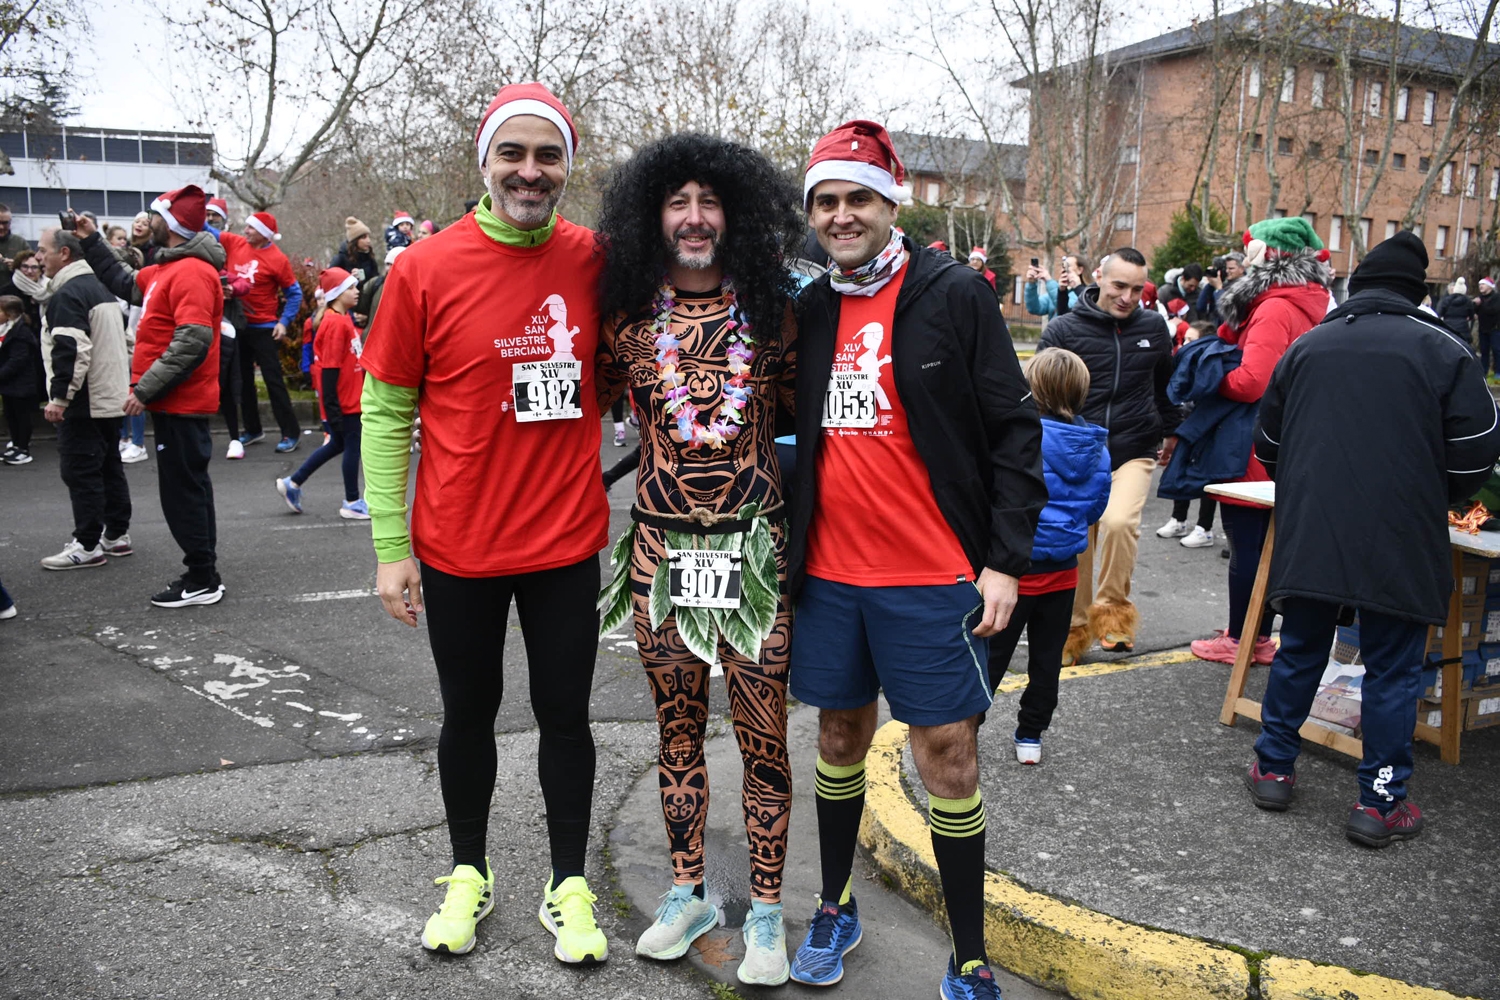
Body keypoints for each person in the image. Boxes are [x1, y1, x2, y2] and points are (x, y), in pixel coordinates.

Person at [786, 120, 1046, 998]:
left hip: (933, 573)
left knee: (949, 756)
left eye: (858, 197)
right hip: (829, 575)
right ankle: (835, 905)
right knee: (837, 735)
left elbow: (1015, 430)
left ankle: (967, 954)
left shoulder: (952, 293)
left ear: (891, 202)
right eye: (826, 200)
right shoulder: (811, 307)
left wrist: (1006, 560)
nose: (841, 214)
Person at [360, 82, 610, 964]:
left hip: (565, 544)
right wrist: (393, 547)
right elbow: (386, 412)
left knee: (565, 715)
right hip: (458, 545)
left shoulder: (595, 262)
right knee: (469, 712)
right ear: (485, 163)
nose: (530, 172)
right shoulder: (424, 268)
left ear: (567, 169)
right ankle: (469, 870)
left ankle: (567, 881)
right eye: (514, 153)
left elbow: (631, 375)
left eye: (548, 156)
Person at [594, 133, 802, 987]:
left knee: (764, 743)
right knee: (674, 733)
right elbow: (581, 414)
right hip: (660, 553)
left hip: (753, 554)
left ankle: (763, 912)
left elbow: (810, 424)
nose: (692, 217)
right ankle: (689, 894)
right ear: (655, 217)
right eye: (676, 202)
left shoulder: (779, 315)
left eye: (709, 201)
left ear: (737, 214)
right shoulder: (625, 321)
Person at [1246, 230, 1500, 847]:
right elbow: (1476, 459)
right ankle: (1380, 800)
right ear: (1418, 291)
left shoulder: (1310, 344)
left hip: (1314, 526)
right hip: (1402, 531)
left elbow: (1268, 446)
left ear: (1356, 285)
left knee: (1301, 645)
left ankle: (1274, 767)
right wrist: (1431, 495)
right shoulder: (1446, 349)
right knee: (1393, 669)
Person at [75, 186, 228, 608]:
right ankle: (204, 573)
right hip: (172, 401)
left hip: (181, 402)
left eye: (153, 215)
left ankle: (201, 578)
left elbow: (192, 341)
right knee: (187, 490)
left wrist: (144, 389)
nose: (147, 220)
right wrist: (90, 239)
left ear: (171, 224)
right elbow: (124, 283)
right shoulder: (164, 270)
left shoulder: (193, 272)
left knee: (183, 494)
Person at [1188, 218, 1331, 667]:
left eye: (1248, 248)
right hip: (1293, 439)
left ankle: (1244, 638)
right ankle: (1253, 630)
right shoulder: (1309, 301)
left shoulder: (1273, 307)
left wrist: (1209, 376)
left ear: (1268, 255)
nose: (1241, 256)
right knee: (1265, 546)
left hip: (1256, 445)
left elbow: (1253, 381)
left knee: (1247, 546)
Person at [1039, 248, 1179, 662]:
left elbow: (1164, 387)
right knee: (1079, 538)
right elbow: (1042, 395)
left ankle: (1114, 615)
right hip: (1076, 452)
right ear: (1099, 277)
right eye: (1119, 286)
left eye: (1137, 289)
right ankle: (1074, 628)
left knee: (1119, 523)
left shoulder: (1154, 327)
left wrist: (1171, 430)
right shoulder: (1063, 329)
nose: (1127, 297)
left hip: (1134, 447)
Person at [987, 348, 1110, 764]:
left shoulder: (1021, 438)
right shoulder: (1097, 446)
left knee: (991, 656)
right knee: (1046, 660)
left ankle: (967, 727)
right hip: (1064, 575)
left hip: (1015, 572)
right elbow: (1095, 509)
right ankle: (1030, 736)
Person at [35, 226, 134, 569]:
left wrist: (60, 397)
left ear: (64, 253)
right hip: (109, 395)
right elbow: (126, 341)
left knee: (81, 471)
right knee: (108, 467)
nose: (38, 257)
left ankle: (88, 543)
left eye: (42, 250)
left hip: (85, 399)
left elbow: (72, 348)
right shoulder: (99, 289)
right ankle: (116, 535)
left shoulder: (68, 294)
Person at [275, 268, 368, 518]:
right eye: (350, 288)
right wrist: (333, 408)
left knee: (338, 445)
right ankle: (352, 501)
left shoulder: (341, 317)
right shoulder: (335, 323)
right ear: (337, 294)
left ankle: (292, 483)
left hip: (349, 399)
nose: (356, 291)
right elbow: (329, 371)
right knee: (351, 448)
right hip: (346, 402)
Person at [222, 211, 303, 452]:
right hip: (238, 324)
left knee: (273, 381)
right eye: (246, 227)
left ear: (263, 234)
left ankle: (291, 433)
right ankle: (253, 429)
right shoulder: (234, 243)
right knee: (243, 380)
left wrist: (284, 322)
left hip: (265, 327)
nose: (245, 231)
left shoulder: (278, 259)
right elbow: (204, 228)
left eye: (251, 228)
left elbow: (294, 294)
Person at [0, 295, 43, 465]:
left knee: (21, 416)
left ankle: (23, 448)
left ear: (10, 313)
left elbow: (18, 360)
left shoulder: (21, 333)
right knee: (10, 415)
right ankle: (16, 444)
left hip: (21, 384)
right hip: (9, 384)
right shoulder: (6, 329)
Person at [329, 218, 381, 293]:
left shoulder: (370, 257)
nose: (368, 241)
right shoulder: (340, 258)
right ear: (355, 241)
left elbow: (375, 280)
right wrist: (350, 279)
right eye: (364, 237)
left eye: (368, 236)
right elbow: (331, 281)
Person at [1024, 256, 1080, 321]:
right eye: (1063, 266)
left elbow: (1067, 308)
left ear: (1080, 270)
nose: (1063, 269)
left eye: (1068, 266)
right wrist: (1031, 284)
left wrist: (1049, 280)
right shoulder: (1055, 291)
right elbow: (1034, 308)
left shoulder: (1083, 292)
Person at [1197, 252, 1245, 324]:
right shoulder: (1225, 283)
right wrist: (1211, 283)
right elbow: (1200, 307)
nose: (1227, 271)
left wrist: (1219, 289)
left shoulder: (1246, 288)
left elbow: (1228, 314)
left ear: (1241, 269)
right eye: (1226, 268)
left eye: (1231, 268)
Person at [0, 203, 32, 300]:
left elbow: (35, 269)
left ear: (10, 223)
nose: (1, 227)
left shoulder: (20, 243)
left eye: (5, 223)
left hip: (13, 298)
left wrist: (17, 266)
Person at [1434, 276, 1474, 341]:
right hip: (1463, 327)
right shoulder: (1468, 301)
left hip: (1448, 325)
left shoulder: (1446, 300)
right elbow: (1471, 315)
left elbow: (1439, 313)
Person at [1477, 277, 1500, 376]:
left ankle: (1498, 372)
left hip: (1495, 328)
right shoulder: (1480, 298)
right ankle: (1484, 372)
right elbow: (1474, 311)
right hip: (1483, 329)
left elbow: (1493, 310)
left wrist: (1480, 304)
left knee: (1496, 350)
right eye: (1479, 285)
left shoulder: (1496, 297)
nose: (1480, 286)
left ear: (1490, 287)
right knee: (1484, 351)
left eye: (1483, 284)